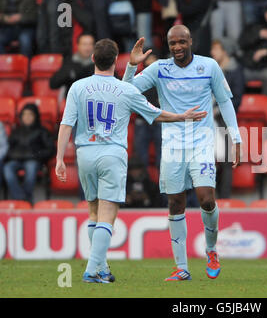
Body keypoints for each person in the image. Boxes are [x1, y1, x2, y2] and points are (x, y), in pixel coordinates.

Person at [55, 38, 207, 284]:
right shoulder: (126, 90)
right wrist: (182, 116)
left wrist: (60, 158)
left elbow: (66, 124)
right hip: (112, 154)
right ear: (116, 61)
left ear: (93, 59)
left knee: (93, 212)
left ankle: (102, 269)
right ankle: (91, 270)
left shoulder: (78, 87)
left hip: (84, 154)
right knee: (107, 215)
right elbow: (157, 114)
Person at [122, 25, 242, 281]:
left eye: (181, 42)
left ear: (191, 41)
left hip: (202, 142)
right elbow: (126, 92)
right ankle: (182, 267)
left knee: (206, 199)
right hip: (173, 146)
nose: (177, 47)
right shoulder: (159, 69)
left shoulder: (209, 66)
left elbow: (224, 102)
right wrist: (132, 66)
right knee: (176, 203)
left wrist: (236, 137)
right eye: (172, 43)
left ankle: (211, 250)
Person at [210, 38, 244, 198]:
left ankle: (224, 198)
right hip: (204, 118)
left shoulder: (235, 71)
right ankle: (206, 197)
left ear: (225, 51)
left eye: (216, 49)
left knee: (225, 159)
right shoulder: (210, 69)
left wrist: (217, 110)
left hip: (222, 119)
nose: (212, 52)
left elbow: (236, 99)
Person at [4, 104, 55, 204]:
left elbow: (50, 149)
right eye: (24, 114)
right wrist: (12, 155)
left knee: (30, 168)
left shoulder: (42, 131)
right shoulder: (16, 131)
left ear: (35, 116)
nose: (27, 117)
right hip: (16, 160)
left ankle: (25, 199)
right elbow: (9, 148)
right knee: (7, 168)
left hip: (34, 160)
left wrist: (37, 155)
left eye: (30, 114)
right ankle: (22, 199)